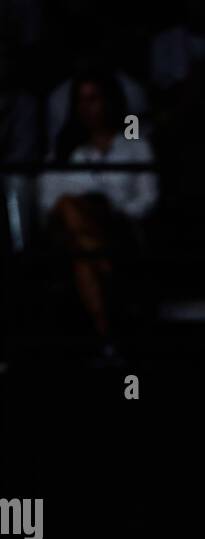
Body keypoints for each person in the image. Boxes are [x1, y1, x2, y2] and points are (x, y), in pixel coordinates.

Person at [38, 69, 158, 353]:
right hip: (69, 233)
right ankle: (107, 276)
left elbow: (147, 199)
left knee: (83, 256)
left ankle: (105, 335)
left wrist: (110, 207)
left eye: (94, 99)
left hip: (118, 229)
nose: (87, 107)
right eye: (81, 100)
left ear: (110, 101)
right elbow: (48, 201)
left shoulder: (135, 146)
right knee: (70, 212)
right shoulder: (65, 150)